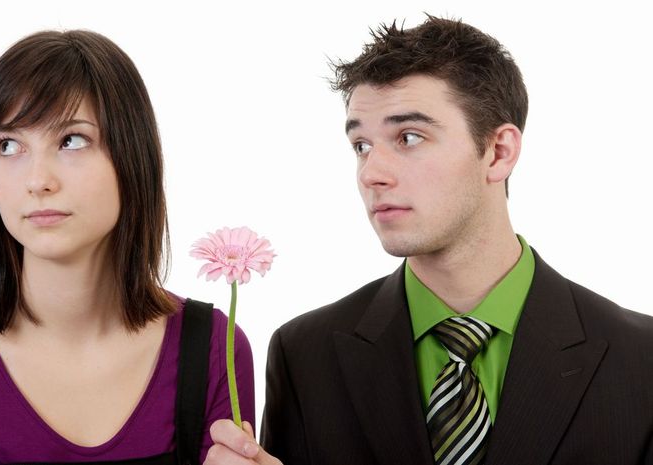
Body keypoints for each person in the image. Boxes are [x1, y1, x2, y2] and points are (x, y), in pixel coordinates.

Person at [205, 15, 653, 465]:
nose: (371, 173)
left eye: (409, 137)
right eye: (361, 145)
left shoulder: (642, 360)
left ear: (499, 152)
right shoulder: (305, 355)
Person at [0, 30, 254, 465]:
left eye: (71, 140)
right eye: (9, 145)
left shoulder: (212, 348)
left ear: (133, 156)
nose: (38, 180)